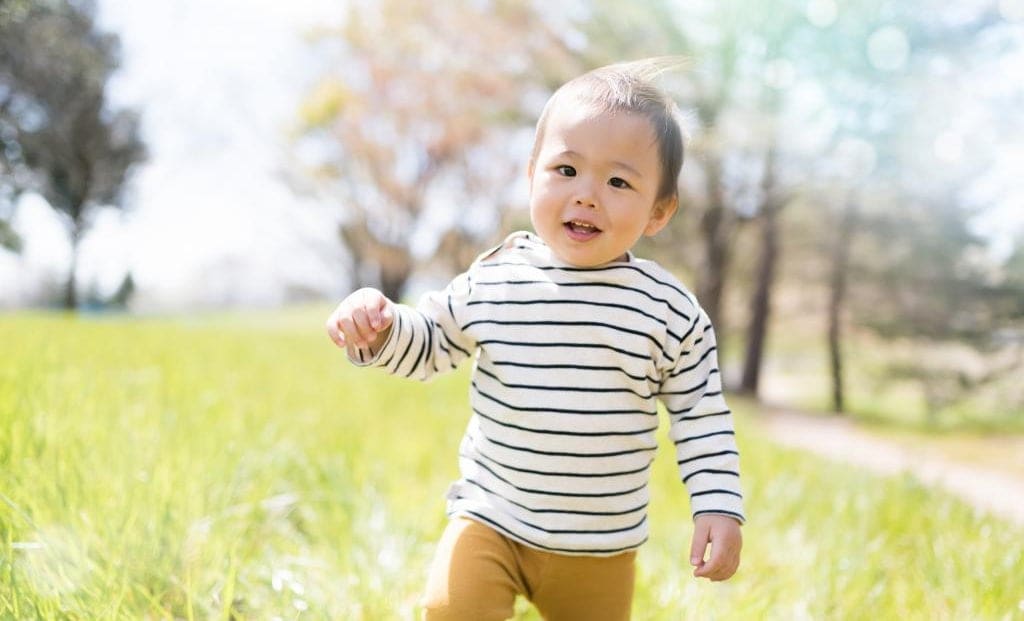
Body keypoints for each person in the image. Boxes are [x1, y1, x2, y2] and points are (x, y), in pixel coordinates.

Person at [326, 58, 744, 621]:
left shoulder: (668, 312)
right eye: (566, 170)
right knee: (449, 611)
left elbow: (700, 414)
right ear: (531, 176)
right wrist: (380, 329)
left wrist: (718, 504)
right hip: (491, 517)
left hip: (598, 546)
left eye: (618, 182)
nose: (587, 195)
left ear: (659, 212)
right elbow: (431, 344)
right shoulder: (497, 277)